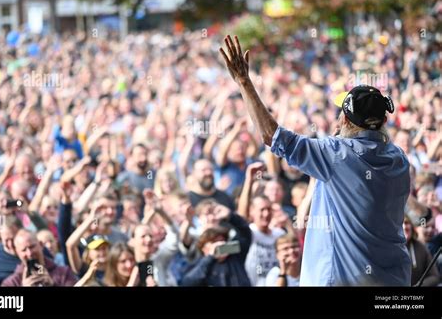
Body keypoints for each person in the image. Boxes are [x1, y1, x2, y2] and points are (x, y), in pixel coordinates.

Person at [220, 35, 411, 286]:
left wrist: (244, 82)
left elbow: (272, 136)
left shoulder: (336, 154)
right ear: (384, 121)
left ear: (345, 121)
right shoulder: (399, 160)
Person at [179, 204, 252, 286]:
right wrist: (210, 258)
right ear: (204, 248)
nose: (219, 245)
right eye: (213, 243)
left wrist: (230, 216)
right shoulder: (200, 260)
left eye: (221, 241)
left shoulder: (233, 252)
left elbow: (245, 234)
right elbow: (187, 282)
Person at [1, 229, 77, 286]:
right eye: (24, 250)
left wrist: (52, 285)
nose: (29, 253)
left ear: (41, 245)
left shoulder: (64, 273)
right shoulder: (11, 283)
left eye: (32, 247)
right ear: (17, 253)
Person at [403, 216, 440, 286]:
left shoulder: (421, 247)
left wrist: (419, 285)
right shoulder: (387, 249)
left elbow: (434, 276)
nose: (404, 227)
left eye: (406, 223)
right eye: (400, 223)